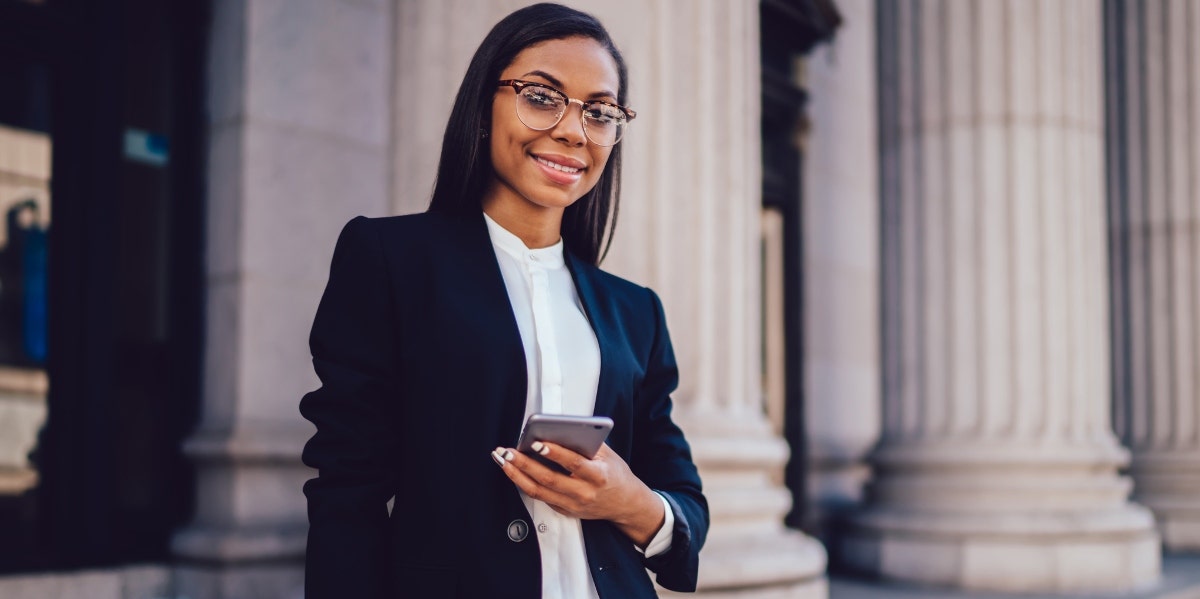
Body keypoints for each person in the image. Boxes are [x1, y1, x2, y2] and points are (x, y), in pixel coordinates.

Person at [299, 4, 707, 597]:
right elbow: (346, 492)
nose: (574, 130)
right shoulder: (390, 259)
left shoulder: (635, 311)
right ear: (483, 105)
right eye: (542, 96)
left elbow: (684, 498)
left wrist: (633, 503)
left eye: (600, 111)